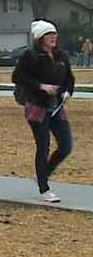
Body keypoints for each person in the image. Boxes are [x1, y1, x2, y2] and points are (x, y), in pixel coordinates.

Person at [12, 20, 76, 203]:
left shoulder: (61, 56)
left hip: (56, 107)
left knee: (66, 145)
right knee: (43, 146)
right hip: (37, 107)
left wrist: (67, 92)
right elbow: (17, 76)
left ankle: (43, 174)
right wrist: (41, 86)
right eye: (49, 34)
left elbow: (70, 79)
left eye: (54, 34)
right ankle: (44, 188)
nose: (53, 37)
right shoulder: (31, 56)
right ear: (40, 38)